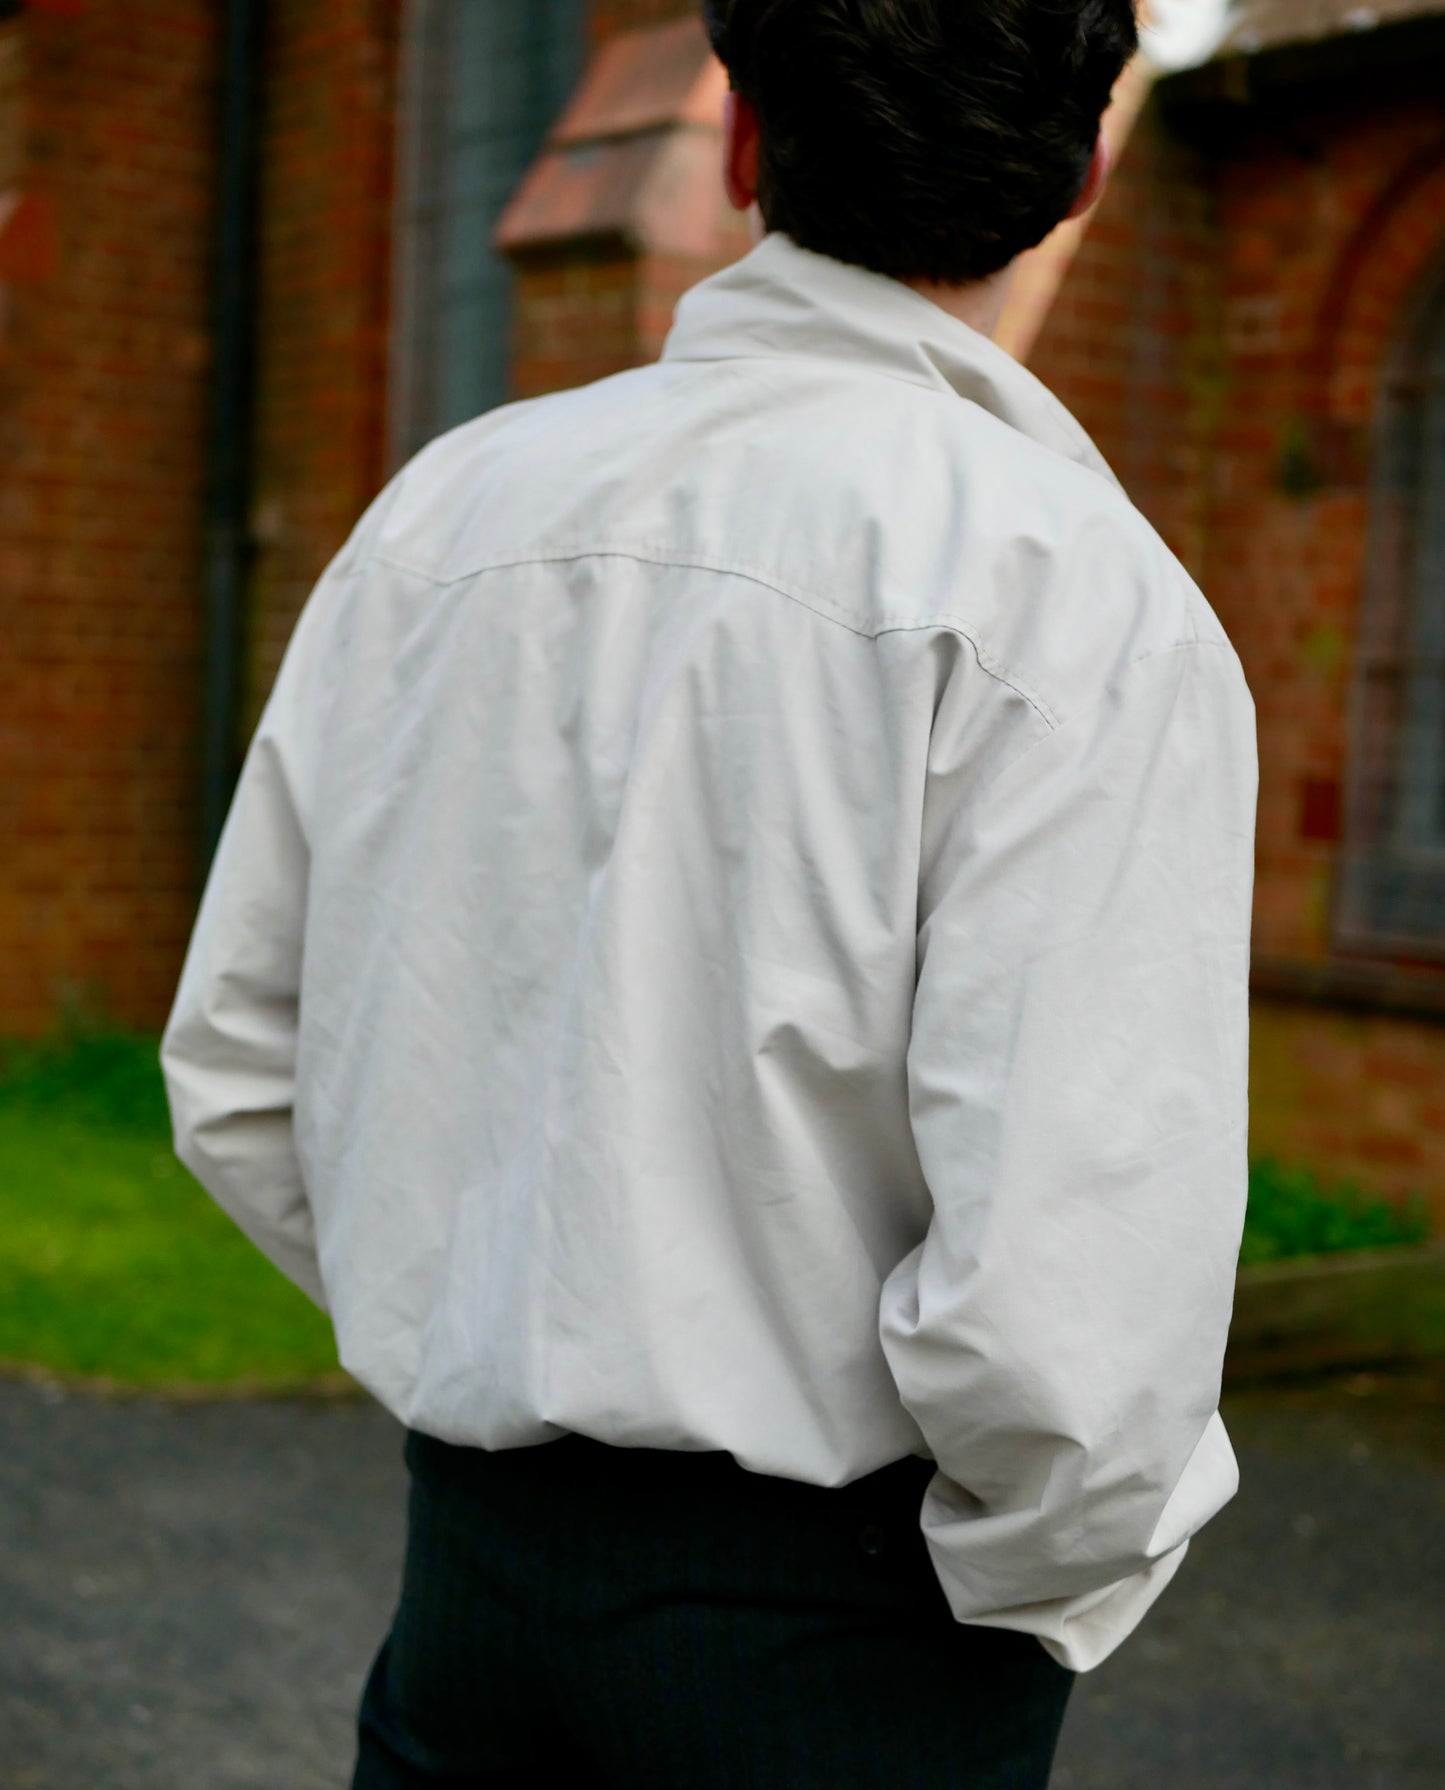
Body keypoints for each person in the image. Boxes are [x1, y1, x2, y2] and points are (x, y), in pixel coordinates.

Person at [161, 1, 1258, 1784]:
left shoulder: (446, 517)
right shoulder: (1078, 604)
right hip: (848, 1641)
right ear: (1082, 175)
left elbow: (241, 1065)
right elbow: (1073, 1300)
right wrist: (1014, 1581)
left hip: (471, 1603)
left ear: (744, 142)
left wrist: (488, 1313)